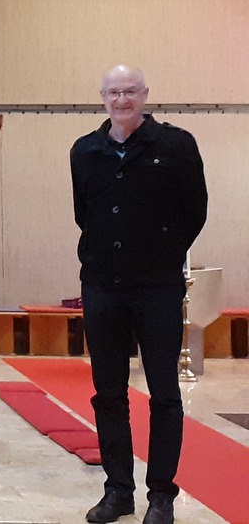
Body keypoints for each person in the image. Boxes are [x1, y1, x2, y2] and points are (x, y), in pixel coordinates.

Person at [71, 65, 208, 524]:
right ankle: (118, 491)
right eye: (113, 92)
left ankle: (161, 495)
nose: (122, 100)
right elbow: (84, 214)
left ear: (145, 95)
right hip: (102, 286)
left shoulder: (176, 146)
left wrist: (161, 251)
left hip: (157, 286)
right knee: (108, 393)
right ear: (103, 97)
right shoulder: (84, 151)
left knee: (164, 392)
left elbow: (195, 211)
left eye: (130, 91)